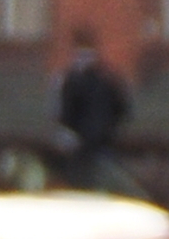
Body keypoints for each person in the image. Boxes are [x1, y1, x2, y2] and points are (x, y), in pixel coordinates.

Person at [55, 31, 132, 173]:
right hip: (104, 141)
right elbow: (122, 109)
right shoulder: (109, 79)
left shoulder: (72, 80)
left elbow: (65, 112)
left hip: (82, 145)